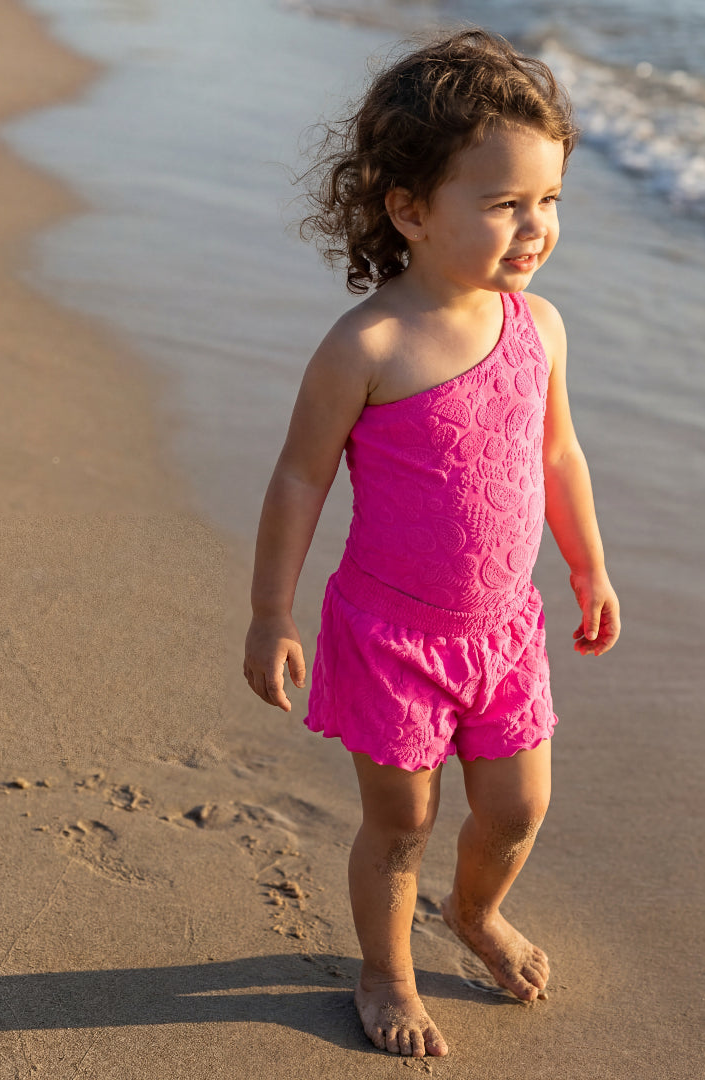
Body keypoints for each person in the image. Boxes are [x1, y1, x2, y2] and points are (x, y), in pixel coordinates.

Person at [243, 27, 620, 1059]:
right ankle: (385, 969)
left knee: (517, 805)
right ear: (409, 207)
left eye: (548, 201)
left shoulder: (539, 326)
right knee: (400, 824)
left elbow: (559, 458)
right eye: (503, 204)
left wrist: (587, 562)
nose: (534, 226)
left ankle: (477, 909)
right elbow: (297, 478)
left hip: (505, 628)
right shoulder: (368, 345)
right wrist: (271, 613)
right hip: (392, 637)